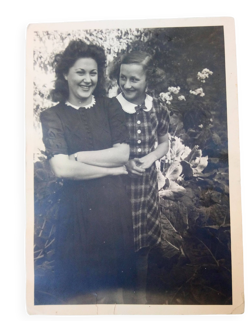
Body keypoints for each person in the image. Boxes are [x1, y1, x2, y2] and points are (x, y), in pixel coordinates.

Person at [39, 39, 135, 304]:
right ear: (65, 74)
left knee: (113, 294)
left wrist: (80, 156)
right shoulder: (52, 116)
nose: (87, 79)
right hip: (76, 213)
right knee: (78, 295)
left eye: (93, 73)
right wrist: (113, 170)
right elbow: (61, 168)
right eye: (80, 72)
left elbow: (123, 154)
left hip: (113, 210)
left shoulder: (110, 106)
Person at [108, 51, 170, 303]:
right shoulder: (112, 108)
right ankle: (120, 300)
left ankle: (142, 297)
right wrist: (125, 161)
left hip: (145, 187)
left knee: (142, 246)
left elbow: (164, 142)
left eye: (134, 79)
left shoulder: (158, 108)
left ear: (148, 81)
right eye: (123, 78)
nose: (127, 85)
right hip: (118, 185)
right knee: (119, 244)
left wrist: (151, 157)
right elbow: (103, 147)